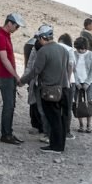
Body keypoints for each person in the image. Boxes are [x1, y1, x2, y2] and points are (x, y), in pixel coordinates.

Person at [19, 25, 72, 154]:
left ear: (43, 37)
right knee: (61, 119)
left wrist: (22, 81)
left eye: (38, 38)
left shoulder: (43, 51)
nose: (38, 41)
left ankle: (55, 146)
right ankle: (60, 145)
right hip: (64, 88)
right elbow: (67, 68)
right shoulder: (63, 50)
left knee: (53, 119)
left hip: (50, 90)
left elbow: (36, 70)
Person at [0, 13, 25, 144]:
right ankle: (6, 134)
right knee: (8, 105)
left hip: (8, 76)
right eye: (16, 26)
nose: (17, 29)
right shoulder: (0, 36)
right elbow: (4, 59)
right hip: (4, 76)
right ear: (9, 23)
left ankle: (8, 133)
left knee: (11, 105)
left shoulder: (5, 36)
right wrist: (16, 76)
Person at [72, 37, 92, 133]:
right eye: (79, 49)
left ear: (86, 47)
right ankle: (81, 125)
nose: (81, 51)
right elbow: (72, 70)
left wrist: (87, 82)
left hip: (88, 83)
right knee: (77, 103)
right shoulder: (73, 54)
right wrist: (77, 82)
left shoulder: (91, 55)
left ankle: (89, 125)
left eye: (83, 49)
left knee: (88, 103)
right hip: (76, 82)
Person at [57, 33, 77, 140]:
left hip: (56, 81)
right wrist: (68, 81)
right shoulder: (70, 50)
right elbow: (71, 66)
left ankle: (54, 130)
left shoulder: (55, 47)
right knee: (67, 108)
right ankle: (66, 131)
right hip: (69, 82)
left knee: (56, 106)